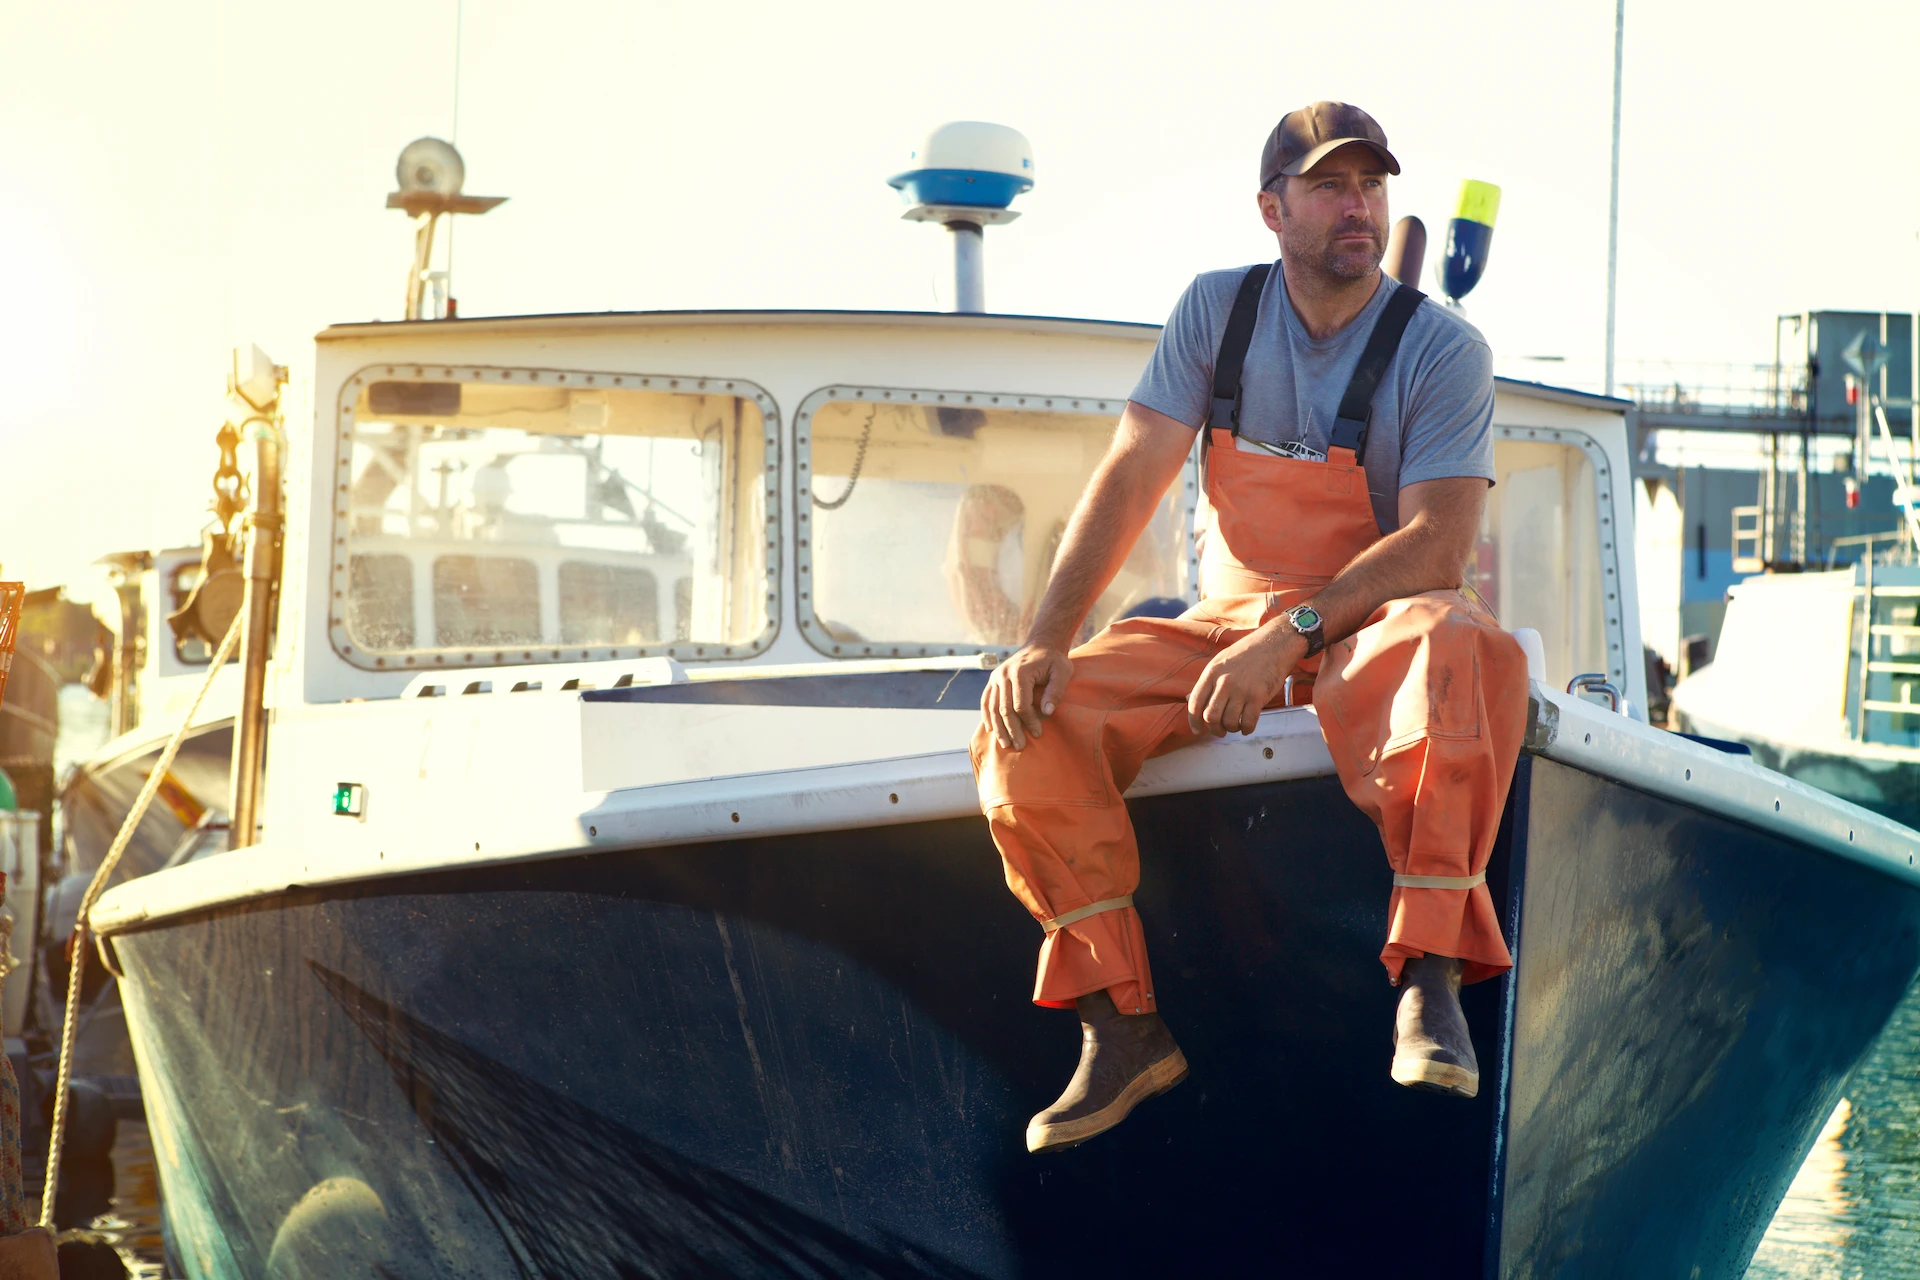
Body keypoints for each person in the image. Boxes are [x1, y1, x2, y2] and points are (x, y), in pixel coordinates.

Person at [971, 101, 1529, 1154]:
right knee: (1026, 721)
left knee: (1464, 648)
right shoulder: (1214, 312)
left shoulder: (1445, 348)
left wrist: (1291, 638)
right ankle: (1121, 1024)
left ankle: (1433, 976)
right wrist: (1045, 636)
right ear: (1272, 209)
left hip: (1370, 624)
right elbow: (1132, 469)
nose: (1357, 207)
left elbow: (1437, 550)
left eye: (1371, 186)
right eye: (1330, 186)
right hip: (1225, 622)